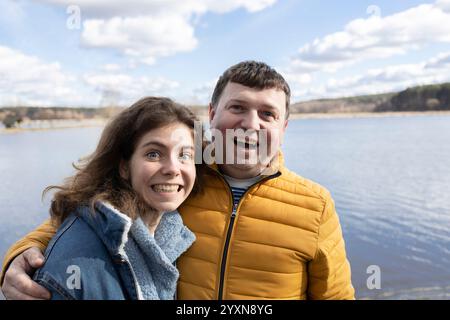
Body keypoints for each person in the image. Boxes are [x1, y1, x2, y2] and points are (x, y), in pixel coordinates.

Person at [1, 61, 355, 300]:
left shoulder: (315, 205)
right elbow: (97, 215)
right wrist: (19, 255)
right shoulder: (180, 179)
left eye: (268, 113)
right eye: (238, 108)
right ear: (212, 114)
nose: (252, 123)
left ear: (284, 127)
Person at [1, 97, 204, 299]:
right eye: (153, 154)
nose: (173, 169)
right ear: (124, 166)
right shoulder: (74, 265)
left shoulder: (165, 235)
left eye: (185, 155)